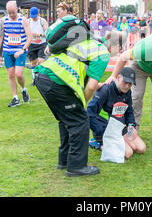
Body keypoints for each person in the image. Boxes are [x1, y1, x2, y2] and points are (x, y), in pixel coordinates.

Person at [34, 31, 110, 177]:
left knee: (65, 119)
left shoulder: (85, 45)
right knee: (80, 120)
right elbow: (91, 86)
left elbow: (83, 77)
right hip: (55, 83)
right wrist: (83, 104)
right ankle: (76, 166)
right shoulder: (102, 53)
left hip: (43, 77)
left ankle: (63, 161)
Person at [87, 67, 146, 158]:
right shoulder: (105, 90)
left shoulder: (127, 92)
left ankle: (120, 141)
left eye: (130, 84)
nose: (127, 86)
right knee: (128, 153)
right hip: (105, 130)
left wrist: (131, 125)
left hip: (119, 128)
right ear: (118, 77)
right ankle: (97, 143)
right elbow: (90, 113)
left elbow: (129, 111)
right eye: (125, 82)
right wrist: (102, 132)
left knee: (141, 148)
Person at [0, 0, 32, 107]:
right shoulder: (3, 20)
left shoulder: (23, 20)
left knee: (19, 74)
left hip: (20, 51)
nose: (11, 15)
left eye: (13, 12)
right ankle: (15, 98)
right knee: (11, 74)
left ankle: (23, 89)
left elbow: (29, 37)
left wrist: (22, 49)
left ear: (17, 9)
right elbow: (0, 37)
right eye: (9, 12)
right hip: (7, 51)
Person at [27, 7, 48, 85]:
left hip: (41, 44)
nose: (33, 18)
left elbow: (47, 33)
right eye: (32, 16)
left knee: (41, 61)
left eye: (34, 16)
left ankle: (42, 80)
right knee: (33, 63)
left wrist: (39, 35)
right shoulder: (28, 21)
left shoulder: (42, 21)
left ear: (38, 14)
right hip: (32, 44)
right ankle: (35, 80)